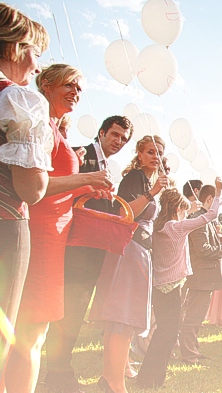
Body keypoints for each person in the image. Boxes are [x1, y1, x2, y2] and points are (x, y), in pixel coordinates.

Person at [4, 63, 112, 393]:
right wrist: (87, 177)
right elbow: (34, 186)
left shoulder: (54, 126)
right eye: (70, 85)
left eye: (80, 89)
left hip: (55, 236)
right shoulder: (39, 126)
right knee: (29, 332)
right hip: (39, 235)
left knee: (32, 331)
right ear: (46, 84)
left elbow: (57, 185)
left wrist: (83, 189)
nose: (76, 93)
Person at [44, 115, 133, 393]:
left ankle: (60, 371)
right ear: (102, 132)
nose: (118, 142)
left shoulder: (107, 166)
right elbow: (61, 189)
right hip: (74, 247)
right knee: (67, 310)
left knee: (75, 309)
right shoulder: (80, 155)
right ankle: (57, 375)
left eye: (123, 139)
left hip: (93, 248)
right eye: (115, 135)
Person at [89, 135, 169, 393]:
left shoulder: (146, 180)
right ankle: (116, 383)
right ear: (139, 153)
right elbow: (125, 213)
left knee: (122, 319)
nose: (155, 156)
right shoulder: (135, 178)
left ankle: (108, 379)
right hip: (130, 248)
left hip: (139, 249)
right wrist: (152, 193)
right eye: (150, 152)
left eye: (159, 152)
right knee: (123, 318)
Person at [0, 4, 51, 388]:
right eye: (36, 51)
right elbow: (30, 188)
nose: (38, 64)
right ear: (16, 48)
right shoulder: (20, 100)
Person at [136, 181, 222, 389]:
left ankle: (151, 378)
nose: (186, 212)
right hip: (171, 287)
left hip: (159, 286)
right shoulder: (176, 227)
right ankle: (151, 379)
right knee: (167, 334)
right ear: (177, 209)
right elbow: (209, 216)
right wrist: (218, 192)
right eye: (184, 209)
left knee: (164, 333)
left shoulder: (158, 227)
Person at [178, 184, 222, 364]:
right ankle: (188, 353)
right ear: (209, 199)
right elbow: (203, 250)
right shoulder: (198, 219)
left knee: (197, 316)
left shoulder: (207, 220)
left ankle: (193, 349)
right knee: (193, 316)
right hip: (200, 277)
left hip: (206, 278)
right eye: (217, 200)